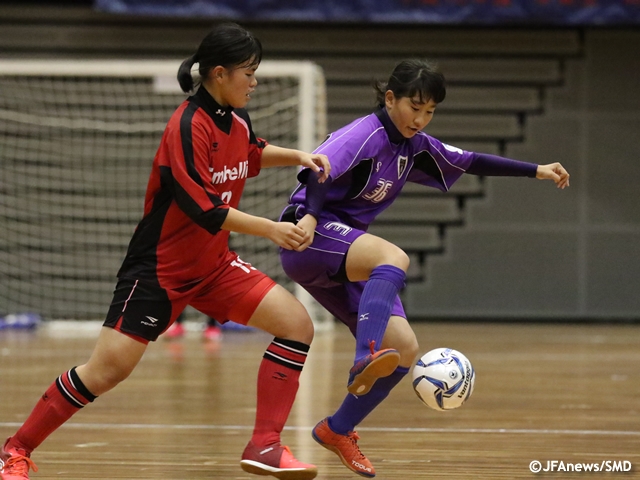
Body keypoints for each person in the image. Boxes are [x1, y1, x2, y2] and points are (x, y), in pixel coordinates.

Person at [0, 23, 330, 480]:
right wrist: (273, 230)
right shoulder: (186, 124)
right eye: (248, 72)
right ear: (219, 73)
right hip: (159, 271)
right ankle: (15, 449)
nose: (255, 82)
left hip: (214, 267)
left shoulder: (235, 118)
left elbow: (250, 154)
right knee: (106, 371)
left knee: (296, 324)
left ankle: (266, 446)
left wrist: (298, 156)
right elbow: (204, 208)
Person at [279, 59, 570, 478]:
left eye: (430, 110)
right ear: (390, 98)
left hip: (342, 254)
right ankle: (366, 354)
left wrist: (536, 170)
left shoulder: (414, 146)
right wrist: (309, 216)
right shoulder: (365, 134)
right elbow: (318, 168)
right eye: (415, 107)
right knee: (393, 258)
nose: (421, 118)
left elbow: (470, 160)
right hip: (308, 234)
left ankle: (337, 429)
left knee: (407, 348)